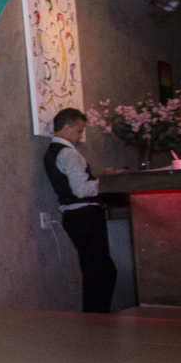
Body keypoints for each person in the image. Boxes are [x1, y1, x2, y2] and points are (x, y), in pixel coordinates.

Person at [43, 108, 118, 313]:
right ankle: (96, 320)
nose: (80, 136)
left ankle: (95, 320)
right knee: (101, 273)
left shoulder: (53, 152)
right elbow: (81, 190)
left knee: (97, 271)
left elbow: (73, 185)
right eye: (79, 130)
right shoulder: (69, 153)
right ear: (67, 128)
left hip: (74, 216)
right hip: (86, 215)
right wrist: (107, 182)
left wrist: (98, 178)